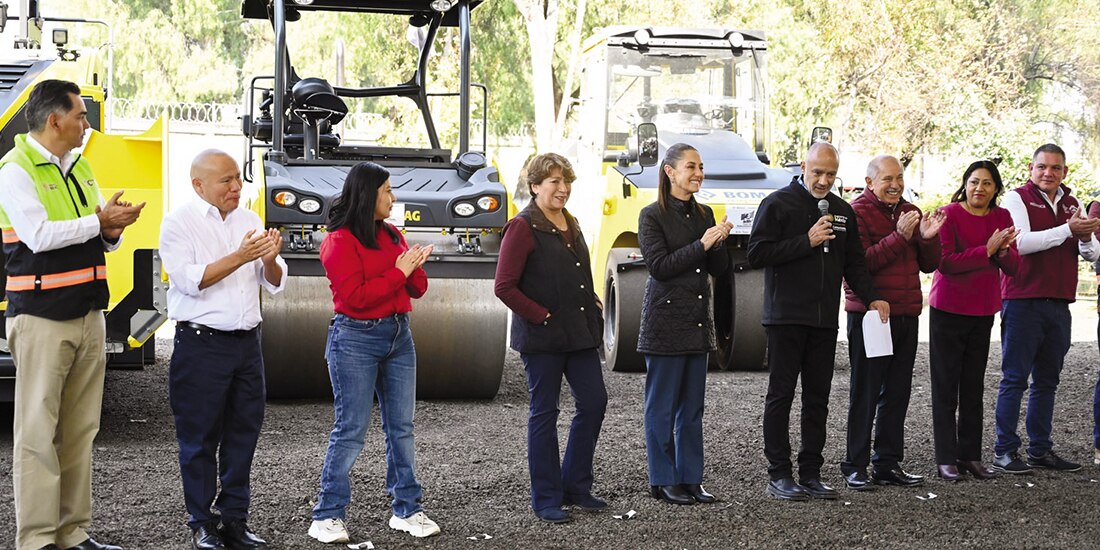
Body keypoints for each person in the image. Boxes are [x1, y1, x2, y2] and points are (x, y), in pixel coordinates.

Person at [0, 79, 143, 550]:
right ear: (54, 119)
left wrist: (112, 229)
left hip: (87, 312)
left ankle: (73, 533)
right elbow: (38, 236)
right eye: (81, 115)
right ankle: (37, 539)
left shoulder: (80, 168)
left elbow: (93, 236)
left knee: (81, 429)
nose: (87, 124)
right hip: (41, 318)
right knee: (37, 433)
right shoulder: (14, 169)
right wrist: (97, 223)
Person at [747, 141, 889, 502]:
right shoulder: (777, 204)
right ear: (802, 167)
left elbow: (854, 262)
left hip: (825, 320)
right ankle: (779, 474)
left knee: (818, 399)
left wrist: (872, 296)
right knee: (781, 396)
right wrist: (804, 241)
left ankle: (811, 472)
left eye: (830, 174)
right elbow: (757, 253)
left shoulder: (842, 211)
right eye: (817, 173)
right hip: (785, 318)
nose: (824, 180)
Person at [159, 150, 287, 550]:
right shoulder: (178, 223)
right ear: (199, 185)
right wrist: (240, 256)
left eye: (238, 179)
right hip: (202, 344)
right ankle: (201, 523)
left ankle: (234, 520)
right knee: (199, 439)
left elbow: (274, 280)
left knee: (243, 434)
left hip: (247, 345)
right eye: (226, 181)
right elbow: (188, 281)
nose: (236, 187)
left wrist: (268, 261)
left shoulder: (249, 219)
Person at [308, 161, 440, 543]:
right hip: (355, 339)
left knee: (402, 428)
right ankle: (327, 515)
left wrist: (412, 265)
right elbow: (355, 298)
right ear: (368, 194)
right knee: (351, 429)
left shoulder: (392, 234)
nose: (393, 197)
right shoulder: (339, 241)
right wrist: (399, 272)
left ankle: (407, 509)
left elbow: (417, 289)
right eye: (387, 190)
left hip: (400, 335)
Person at [494, 153, 608, 524]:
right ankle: (546, 497)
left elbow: (573, 271)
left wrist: (589, 297)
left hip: (579, 334)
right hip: (542, 339)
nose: (563, 189)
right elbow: (504, 287)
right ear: (535, 186)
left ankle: (576, 486)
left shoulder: (570, 221)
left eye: (566, 181)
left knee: (594, 403)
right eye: (554, 182)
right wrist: (540, 314)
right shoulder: (522, 227)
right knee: (545, 413)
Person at [993, 143, 1100, 474]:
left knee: (1048, 381)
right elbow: (1021, 243)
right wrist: (1068, 230)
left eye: (1055, 168)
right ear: (1030, 168)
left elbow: (1093, 254)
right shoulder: (1016, 198)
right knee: (1014, 378)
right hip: (1023, 300)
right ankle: (1005, 449)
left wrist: (1083, 238)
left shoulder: (1073, 203)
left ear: (1064, 172)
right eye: (1042, 167)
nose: (1048, 173)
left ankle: (1040, 448)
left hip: (1059, 303)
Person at [637, 143, 733, 506]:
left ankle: (691, 478)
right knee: (661, 407)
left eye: (701, 167)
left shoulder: (705, 213)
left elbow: (717, 270)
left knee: (692, 408)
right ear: (669, 172)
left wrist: (719, 241)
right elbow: (659, 266)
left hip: (696, 324)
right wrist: (702, 244)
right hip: (664, 323)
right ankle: (663, 480)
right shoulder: (651, 216)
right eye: (691, 166)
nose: (698, 173)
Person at [840, 155, 942, 490]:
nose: (895, 184)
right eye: (887, 179)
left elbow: (928, 265)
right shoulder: (856, 212)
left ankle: (887, 463)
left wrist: (927, 238)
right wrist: (899, 236)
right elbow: (860, 265)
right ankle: (855, 465)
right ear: (870, 182)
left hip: (905, 313)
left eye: (898, 177)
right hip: (870, 315)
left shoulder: (911, 210)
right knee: (866, 391)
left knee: (897, 392)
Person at [928, 160, 1019, 481]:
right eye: (974, 181)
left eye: (987, 183)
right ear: (965, 184)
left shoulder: (1001, 217)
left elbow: (1014, 267)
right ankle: (945, 458)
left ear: (996, 189)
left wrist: (1003, 252)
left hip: (982, 312)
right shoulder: (949, 214)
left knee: (973, 387)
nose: (979, 188)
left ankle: (970, 456)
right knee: (945, 387)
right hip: (948, 311)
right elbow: (946, 263)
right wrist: (987, 250)